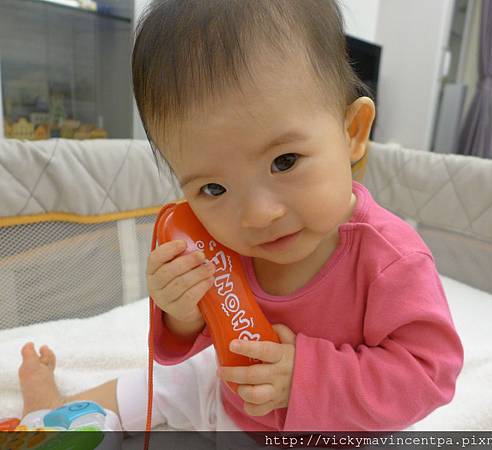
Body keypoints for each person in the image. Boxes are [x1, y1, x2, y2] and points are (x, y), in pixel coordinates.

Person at [18, 0, 463, 433]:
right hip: (230, 399)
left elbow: (429, 375)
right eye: (213, 189)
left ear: (352, 132)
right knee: (170, 382)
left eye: (285, 162)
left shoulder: (391, 260)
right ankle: (57, 412)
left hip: (339, 430)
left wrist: (305, 378)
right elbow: (202, 335)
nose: (257, 215)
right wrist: (181, 310)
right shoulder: (218, 241)